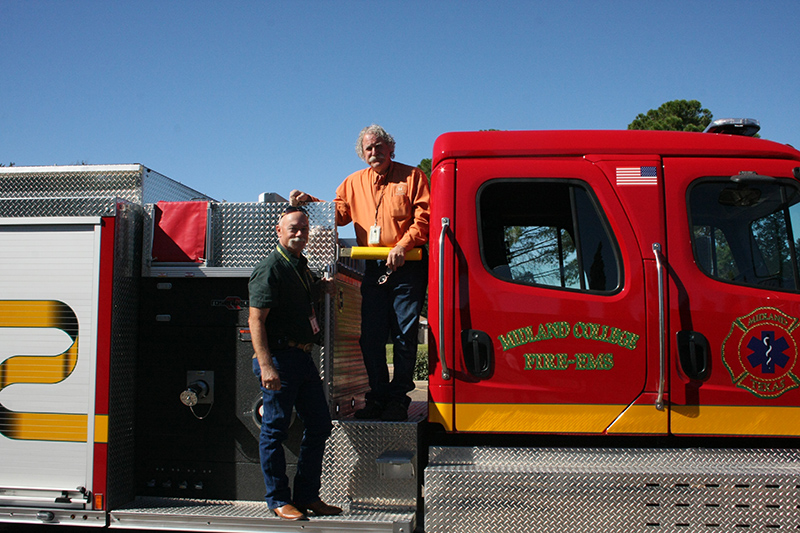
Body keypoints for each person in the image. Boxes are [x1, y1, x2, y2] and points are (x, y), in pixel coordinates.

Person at [290, 124, 430, 422]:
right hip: (374, 268)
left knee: (405, 337)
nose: (374, 152)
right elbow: (338, 213)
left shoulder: (414, 176)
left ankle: (398, 400)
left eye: (380, 147)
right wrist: (309, 201)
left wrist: (403, 246)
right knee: (370, 337)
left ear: (391, 149)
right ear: (362, 154)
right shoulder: (352, 183)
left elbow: (424, 217)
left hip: (408, 266)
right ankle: (377, 396)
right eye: (368, 148)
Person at [248, 206, 342, 520]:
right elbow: (256, 321)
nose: (299, 233)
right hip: (278, 359)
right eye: (293, 228)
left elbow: (299, 300)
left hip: (302, 358)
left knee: (319, 425)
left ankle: (306, 496)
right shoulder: (271, 268)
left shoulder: (301, 267)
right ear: (279, 230)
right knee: (274, 430)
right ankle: (277, 500)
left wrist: (320, 288)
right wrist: (266, 366)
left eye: (303, 228)